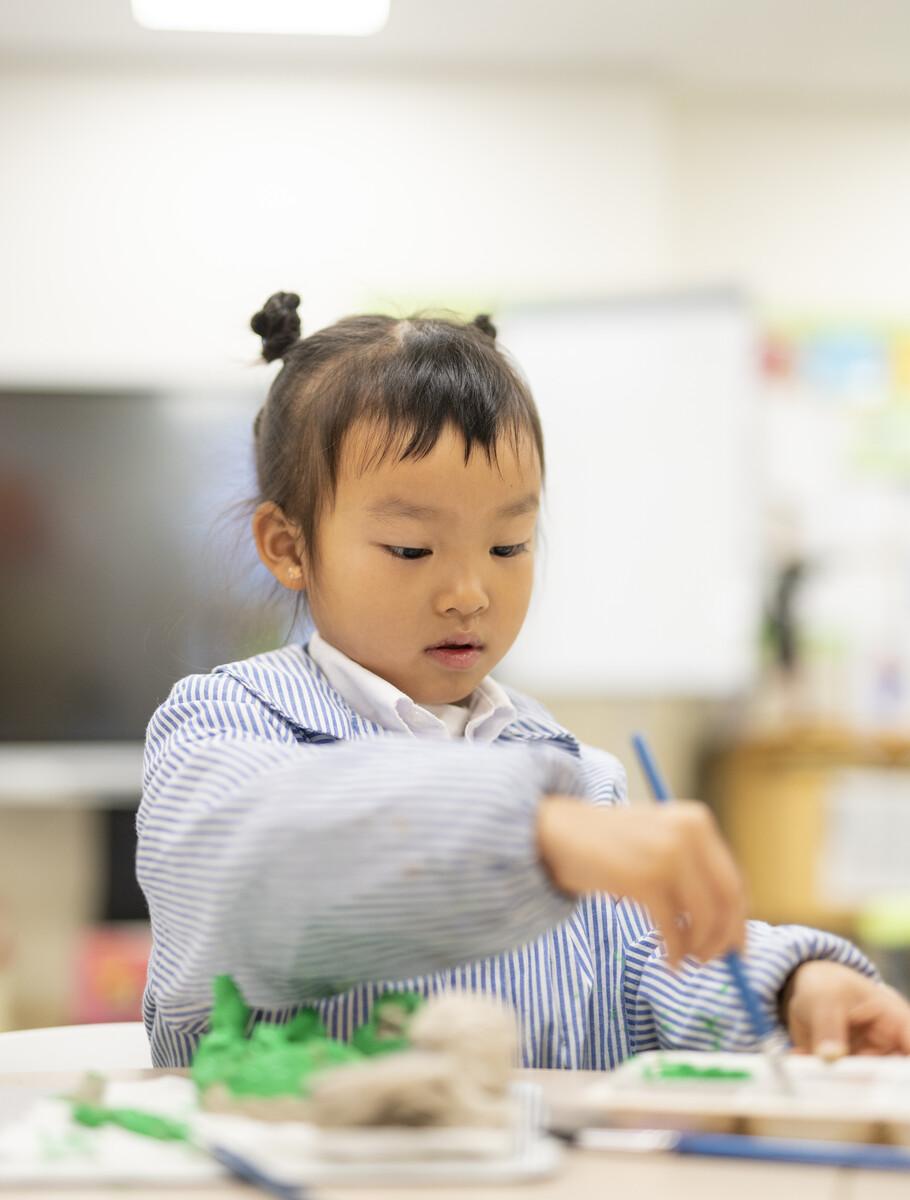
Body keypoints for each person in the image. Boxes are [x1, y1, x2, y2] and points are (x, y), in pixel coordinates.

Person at [137, 291, 910, 1068]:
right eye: (411, 549)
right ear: (288, 545)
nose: (470, 593)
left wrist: (791, 987)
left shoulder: (571, 771)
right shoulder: (226, 725)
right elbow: (249, 863)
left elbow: (650, 971)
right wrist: (530, 835)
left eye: (509, 546)